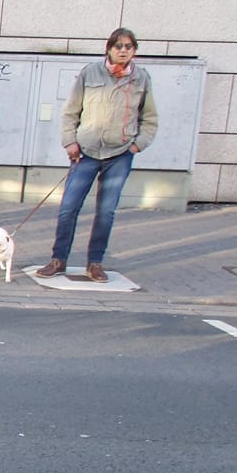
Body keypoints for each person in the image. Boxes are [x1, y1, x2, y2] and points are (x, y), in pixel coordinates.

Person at [36, 27, 158, 282]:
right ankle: (58, 259)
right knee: (69, 207)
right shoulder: (90, 73)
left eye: (128, 47)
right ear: (109, 48)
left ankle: (95, 263)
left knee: (106, 211)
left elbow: (149, 119)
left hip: (120, 153)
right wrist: (70, 142)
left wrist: (137, 145)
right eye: (119, 46)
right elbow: (70, 112)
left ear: (134, 50)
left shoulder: (141, 78)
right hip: (86, 152)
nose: (123, 51)